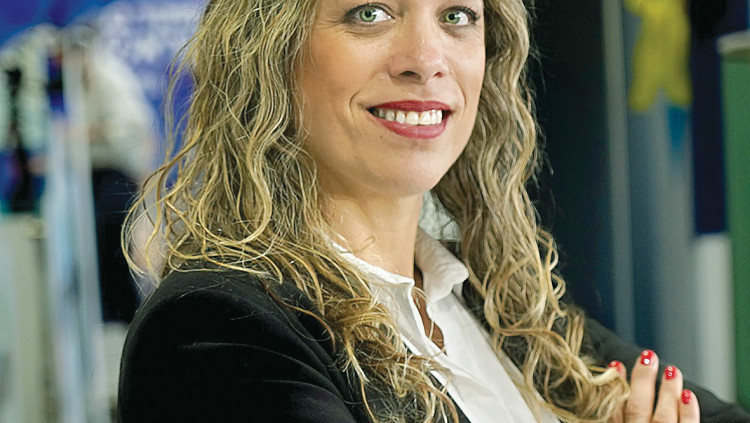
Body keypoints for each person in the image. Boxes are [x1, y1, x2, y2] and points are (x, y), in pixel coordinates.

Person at [117, 0, 750, 422]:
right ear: (270, 53)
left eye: (456, 15)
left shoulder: (500, 305)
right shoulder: (213, 329)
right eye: (369, 13)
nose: (426, 59)